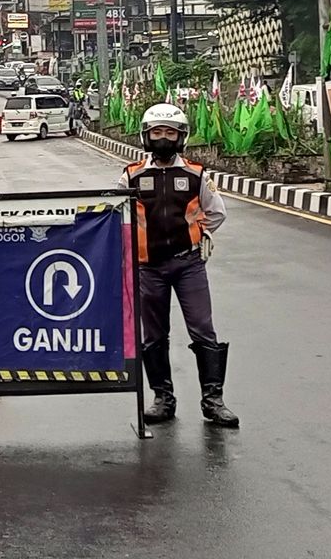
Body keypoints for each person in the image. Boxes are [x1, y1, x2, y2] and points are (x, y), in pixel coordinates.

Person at [118, 104, 238, 428]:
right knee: (154, 335)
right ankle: (162, 398)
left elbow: (217, 212)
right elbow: (117, 214)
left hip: (188, 265)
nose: (163, 139)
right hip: (148, 267)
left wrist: (201, 234)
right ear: (146, 136)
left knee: (203, 329)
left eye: (170, 133)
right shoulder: (132, 175)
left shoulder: (196, 175)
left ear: (181, 137)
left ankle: (213, 401)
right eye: (157, 133)